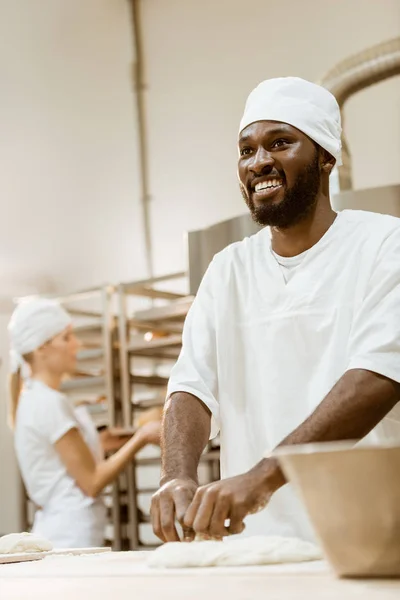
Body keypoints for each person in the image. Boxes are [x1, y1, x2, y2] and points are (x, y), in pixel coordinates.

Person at [150, 76, 400, 544]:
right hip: (256, 549)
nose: (259, 161)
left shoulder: (385, 245)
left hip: (368, 544)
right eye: (246, 150)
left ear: (325, 156)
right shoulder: (228, 270)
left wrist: (263, 477)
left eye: (280, 142)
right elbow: (191, 389)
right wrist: (175, 476)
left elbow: (377, 376)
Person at [8, 298, 160, 548]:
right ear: (40, 349)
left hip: (60, 527)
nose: (76, 345)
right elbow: (92, 482)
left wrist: (103, 442)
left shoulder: (35, 398)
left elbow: (64, 460)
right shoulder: (49, 403)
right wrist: (142, 437)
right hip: (70, 534)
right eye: (66, 338)